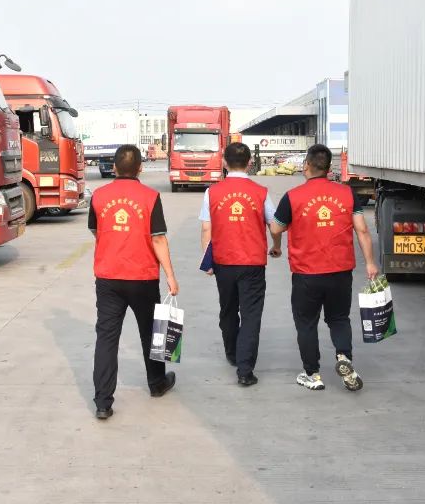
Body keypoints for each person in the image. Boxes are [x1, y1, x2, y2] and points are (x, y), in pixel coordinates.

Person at [270, 144, 380, 392]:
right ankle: (344, 357)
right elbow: (362, 230)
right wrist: (370, 262)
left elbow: (276, 228)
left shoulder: (293, 196)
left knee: (306, 323)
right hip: (340, 271)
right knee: (339, 318)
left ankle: (312, 374)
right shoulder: (347, 194)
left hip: (306, 273)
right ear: (329, 168)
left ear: (307, 165)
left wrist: (277, 243)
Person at [89, 144, 179, 419]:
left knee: (107, 337)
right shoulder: (150, 197)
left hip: (108, 277)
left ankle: (103, 402)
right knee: (152, 332)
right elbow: (158, 238)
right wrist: (170, 276)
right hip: (143, 278)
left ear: (115, 167)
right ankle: (157, 383)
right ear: (140, 168)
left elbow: (95, 229)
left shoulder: (99, 195)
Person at [199, 142, 281, 387]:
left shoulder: (212, 192)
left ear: (224, 162)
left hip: (223, 262)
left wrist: (207, 260)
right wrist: (276, 245)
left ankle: (233, 353)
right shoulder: (261, 192)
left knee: (228, 309)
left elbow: (206, 228)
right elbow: (275, 225)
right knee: (251, 314)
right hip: (252, 263)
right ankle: (245, 370)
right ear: (250, 163)